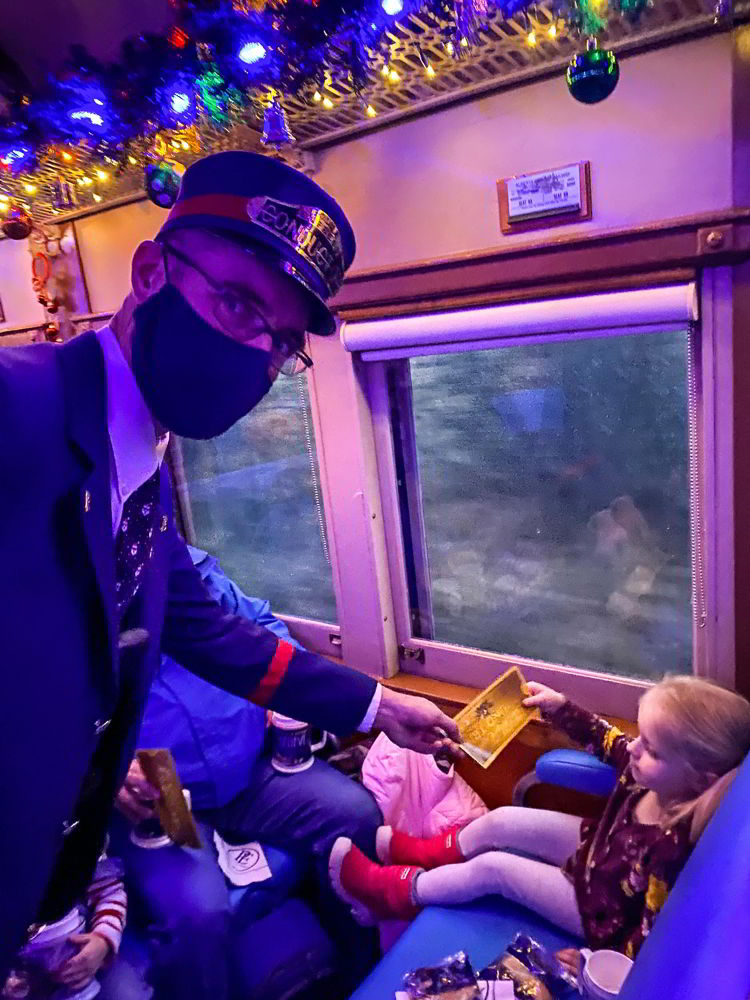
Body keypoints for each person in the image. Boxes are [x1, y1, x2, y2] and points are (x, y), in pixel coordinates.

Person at [0, 150, 460, 981]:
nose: (256, 353)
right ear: (151, 272)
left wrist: (379, 703)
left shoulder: (141, 474)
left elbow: (209, 630)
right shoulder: (18, 404)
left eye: (281, 341)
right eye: (238, 303)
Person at [110, 545, 383, 999]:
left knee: (355, 817)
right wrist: (108, 773)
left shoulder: (189, 569)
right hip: (161, 797)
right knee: (200, 913)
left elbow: (265, 627)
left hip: (250, 769)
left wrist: (287, 699)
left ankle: (364, 980)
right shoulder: (56, 614)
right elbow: (36, 730)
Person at [328, 675, 750, 960]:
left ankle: (394, 893)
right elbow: (608, 740)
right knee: (504, 820)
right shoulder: (646, 774)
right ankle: (423, 852)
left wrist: (592, 963)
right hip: (597, 850)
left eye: (654, 750)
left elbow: (648, 934)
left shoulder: (668, 848)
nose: (635, 749)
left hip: (597, 910)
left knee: (494, 869)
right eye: (642, 737)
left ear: (699, 780)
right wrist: (559, 708)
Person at [4, 854, 151, 1000]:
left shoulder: (75, 838)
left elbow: (108, 892)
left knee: (126, 992)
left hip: (87, 957)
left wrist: (103, 940)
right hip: (19, 975)